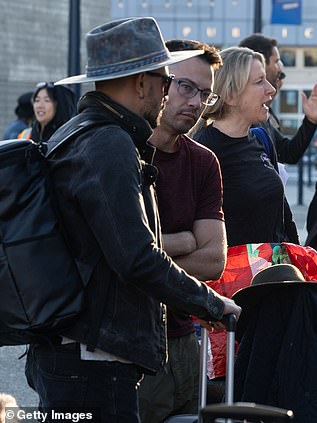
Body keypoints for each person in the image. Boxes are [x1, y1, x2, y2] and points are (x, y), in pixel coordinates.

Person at [24, 17, 240, 423]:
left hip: (74, 353)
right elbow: (136, 257)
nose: (165, 93)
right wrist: (212, 303)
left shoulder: (77, 132)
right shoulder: (109, 143)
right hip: (94, 360)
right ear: (141, 83)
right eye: (165, 81)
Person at [137, 40, 226, 423]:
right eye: (185, 87)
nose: (194, 101)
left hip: (184, 339)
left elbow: (213, 260)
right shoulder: (122, 150)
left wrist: (148, 248)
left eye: (204, 93)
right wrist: (179, 240)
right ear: (159, 84)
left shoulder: (203, 161)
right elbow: (117, 254)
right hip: (133, 344)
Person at [195, 47, 299, 247]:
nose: (271, 89)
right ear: (231, 95)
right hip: (235, 274)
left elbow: (283, 216)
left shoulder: (262, 139)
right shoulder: (204, 151)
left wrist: (297, 264)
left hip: (274, 273)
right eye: (259, 81)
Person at [238, 33, 317, 165]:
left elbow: (287, 153)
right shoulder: (239, 116)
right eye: (276, 62)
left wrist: (311, 121)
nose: (279, 68)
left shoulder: (264, 113)